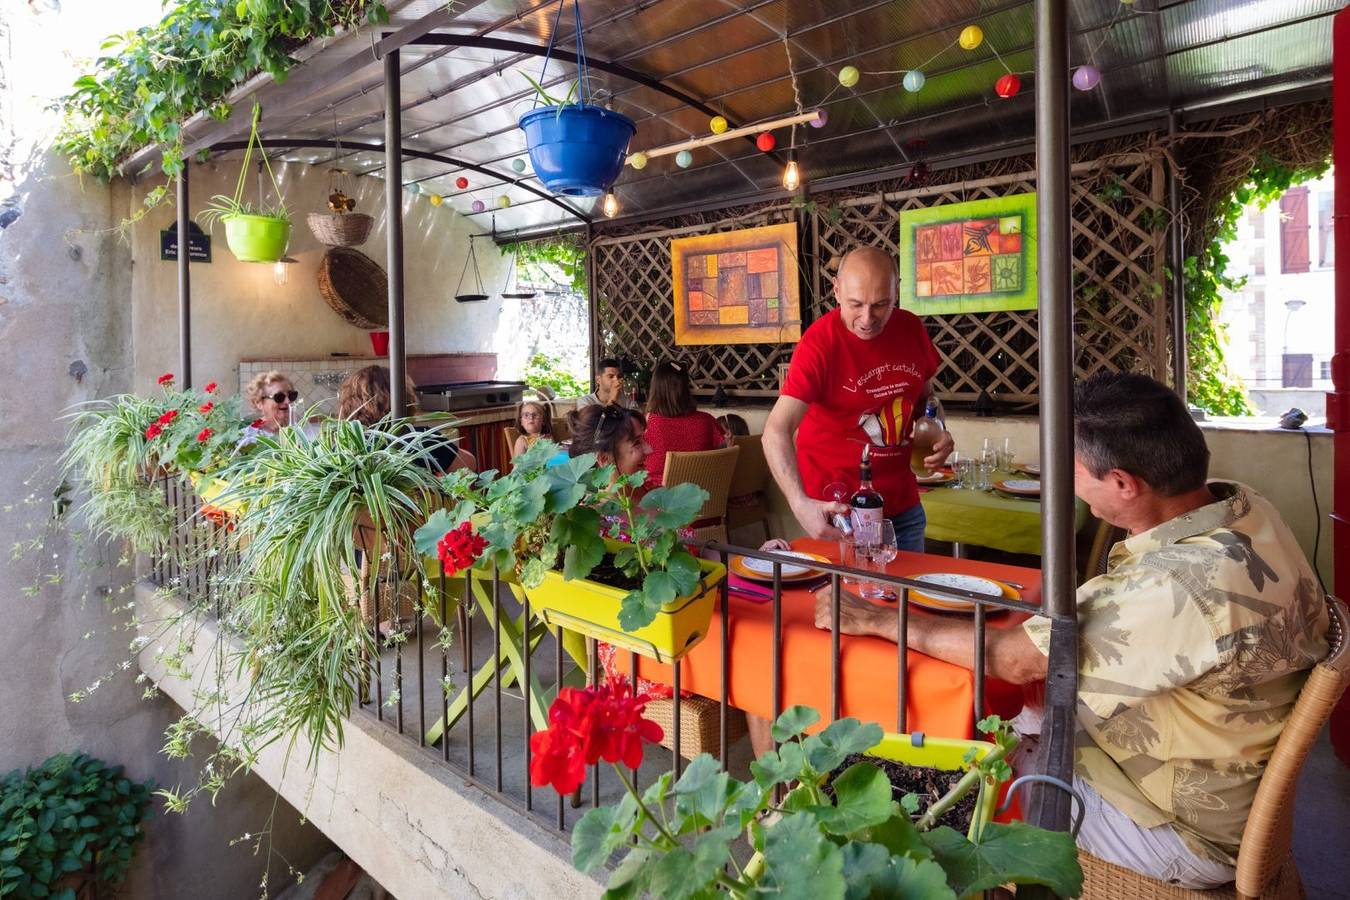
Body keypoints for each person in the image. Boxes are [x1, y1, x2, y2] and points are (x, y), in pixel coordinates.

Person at [811, 372, 1330, 888]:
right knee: (1014, 710)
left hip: (1176, 827)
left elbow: (1013, 658)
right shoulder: (1244, 506)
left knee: (935, 782)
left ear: (1124, 483)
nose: (1064, 483)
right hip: (1209, 757)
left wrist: (876, 619)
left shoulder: (1177, 587)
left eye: (1071, 470)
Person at [568, 402, 788, 697]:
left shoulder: (647, 498)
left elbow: (694, 553)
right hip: (646, 649)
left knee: (774, 630)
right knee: (758, 651)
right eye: (637, 443)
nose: (649, 450)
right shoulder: (594, 523)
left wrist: (752, 558)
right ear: (605, 459)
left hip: (687, 620)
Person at [764, 245, 953, 551]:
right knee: (848, 598)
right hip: (839, 511)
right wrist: (800, 503)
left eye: (881, 304)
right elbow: (775, 431)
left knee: (906, 597)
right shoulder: (818, 344)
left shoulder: (911, 330)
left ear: (897, 291)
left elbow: (926, 401)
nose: (867, 319)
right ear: (836, 291)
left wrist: (938, 430)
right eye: (855, 304)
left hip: (902, 505)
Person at [337, 365, 476, 474]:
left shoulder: (343, 448)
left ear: (350, 405)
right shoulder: (420, 440)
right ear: (405, 398)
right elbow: (469, 465)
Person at [641, 361, 722, 488]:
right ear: (686, 389)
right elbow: (723, 452)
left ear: (656, 389)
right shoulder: (707, 421)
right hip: (702, 499)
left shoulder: (648, 424)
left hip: (660, 501)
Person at [238, 370, 299, 446]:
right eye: (279, 397)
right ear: (259, 403)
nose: (288, 401)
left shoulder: (297, 431)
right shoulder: (248, 438)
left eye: (291, 395)